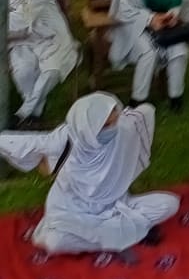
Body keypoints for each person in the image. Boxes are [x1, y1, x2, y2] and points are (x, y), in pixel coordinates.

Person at [0, 94, 179, 255]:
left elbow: (145, 112)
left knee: (169, 204)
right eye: (107, 125)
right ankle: (124, 235)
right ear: (87, 128)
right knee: (54, 242)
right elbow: (21, 144)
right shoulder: (65, 139)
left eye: (115, 120)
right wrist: (43, 163)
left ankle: (111, 236)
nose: (113, 128)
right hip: (73, 212)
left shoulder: (123, 130)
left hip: (116, 207)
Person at [107, 0, 189, 111]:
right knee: (148, 51)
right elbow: (124, 10)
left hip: (164, 26)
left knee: (180, 51)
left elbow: (176, 2)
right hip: (133, 25)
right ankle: (138, 99)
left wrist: (173, 16)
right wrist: (150, 18)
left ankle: (176, 96)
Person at [7, 0, 79, 126]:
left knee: (51, 70)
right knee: (23, 70)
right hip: (22, 41)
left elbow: (23, 19)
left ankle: (25, 113)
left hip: (52, 38)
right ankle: (35, 115)